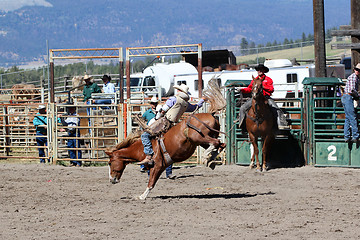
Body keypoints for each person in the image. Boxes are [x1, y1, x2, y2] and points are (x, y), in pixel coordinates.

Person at [138, 84, 206, 168]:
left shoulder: (173, 99)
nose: (177, 91)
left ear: (180, 91)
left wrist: (157, 117)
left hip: (164, 121)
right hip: (173, 124)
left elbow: (163, 110)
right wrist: (202, 100)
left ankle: (148, 156)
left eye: (178, 90)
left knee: (145, 135)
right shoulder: (186, 103)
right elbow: (195, 107)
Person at [236, 64, 288, 129]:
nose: (259, 71)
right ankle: (241, 124)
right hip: (255, 98)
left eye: (261, 70)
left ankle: (281, 123)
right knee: (243, 108)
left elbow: (271, 89)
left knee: (276, 109)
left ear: (264, 71)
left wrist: (263, 87)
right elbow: (249, 89)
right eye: (258, 70)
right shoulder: (254, 80)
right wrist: (242, 90)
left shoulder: (268, 79)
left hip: (266, 97)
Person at [140, 96, 175, 179]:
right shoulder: (147, 113)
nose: (153, 105)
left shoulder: (161, 112)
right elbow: (142, 120)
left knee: (166, 153)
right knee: (151, 153)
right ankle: (149, 172)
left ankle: (168, 173)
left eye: (155, 103)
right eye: (152, 103)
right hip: (151, 134)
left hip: (160, 133)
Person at [341, 63, 360, 143]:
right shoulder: (354, 77)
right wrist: (358, 95)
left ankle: (347, 136)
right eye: (357, 69)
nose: (357, 71)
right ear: (355, 70)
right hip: (348, 97)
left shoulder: (354, 77)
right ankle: (355, 136)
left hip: (345, 97)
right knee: (352, 117)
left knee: (348, 118)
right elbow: (352, 90)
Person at [61, 102, 82, 167]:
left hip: (75, 132)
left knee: (76, 147)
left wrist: (69, 129)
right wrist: (61, 118)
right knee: (70, 147)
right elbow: (65, 124)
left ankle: (78, 162)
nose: (70, 110)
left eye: (71, 109)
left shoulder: (77, 116)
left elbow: (76, 124)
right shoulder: (69, 116)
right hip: (70, 133)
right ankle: (73, 161)